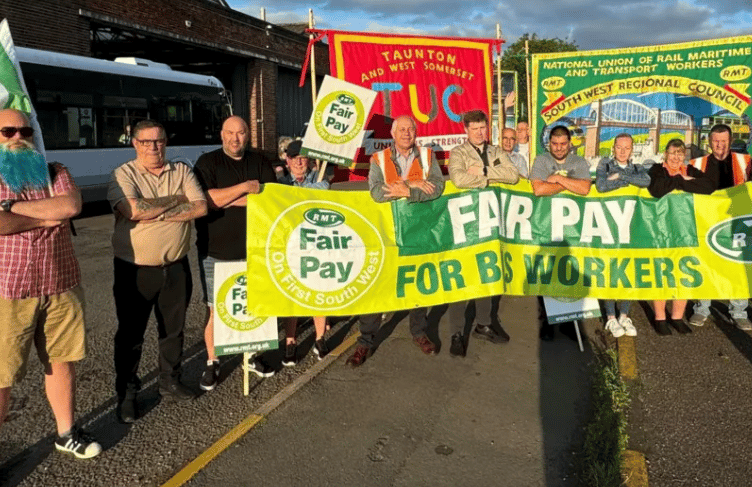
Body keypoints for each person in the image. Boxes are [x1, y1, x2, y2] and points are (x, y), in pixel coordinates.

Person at [0, 109, 101, 458]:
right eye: (7, 131)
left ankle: (66, 432)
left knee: (62, 361)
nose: (17, 137)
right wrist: (45, 218)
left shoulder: (55, 171)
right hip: (8, 291)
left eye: (25, 131)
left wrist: (12, 207)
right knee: (1, 375)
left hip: (61, 284)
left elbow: (71, 205)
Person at [108, 120, 208, 423]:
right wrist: (178, 199)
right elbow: (134, 211)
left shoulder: (181, 171)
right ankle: (126, 394)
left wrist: (156, 209)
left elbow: (201, 206)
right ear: (135, 144)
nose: (154, 147)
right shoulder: (122, 174)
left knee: (173, 331)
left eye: (159, 141)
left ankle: (170, 381)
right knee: (130, 335)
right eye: (147, 142)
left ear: (166, 142)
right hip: (135, 270)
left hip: (176, 267)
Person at [345, 115, 445, 367]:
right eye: (402, 129)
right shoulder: (378, 160)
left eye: (410, 129)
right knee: (378, 287)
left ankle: (419, 333)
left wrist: (406, 190)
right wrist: (413, 185)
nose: (406, 133)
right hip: (386, 234)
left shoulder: (428, 156)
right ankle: (365, 342)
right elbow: (377, 193)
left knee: (419, 285)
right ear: (393, 133)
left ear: (416, 132)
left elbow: (438, 187)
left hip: (418, 232)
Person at [193, 116, 277, 392]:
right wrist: (243, 188)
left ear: (248, 135)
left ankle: (252, 356)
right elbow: (206, 201)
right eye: (230, 133)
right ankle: (212, 360)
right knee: (216, 308)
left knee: (254, 307)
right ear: (221, 134)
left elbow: (269, 199)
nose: (235, 138)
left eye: (240, 133)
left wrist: (226, 198)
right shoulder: (207, 162)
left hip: (256, 249)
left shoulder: (261, 162)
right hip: (215, 250)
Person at [447, 110, 518, 357]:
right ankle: (457, 333)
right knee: (463, 278)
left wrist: (484, 172)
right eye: (475, 128)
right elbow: (457, 178)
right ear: (465, 129)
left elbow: (513, 175)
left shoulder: (497, 152)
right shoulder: (458, 153)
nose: (479, 132)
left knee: (488, 273)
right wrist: (486, 179)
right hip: (465, 223)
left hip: (492, 221)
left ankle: (484, 324)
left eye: (483, 128)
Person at [648, 138, 716, 335]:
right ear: (665, 154)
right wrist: (680, 181)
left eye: (680, 153)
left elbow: (708, 186)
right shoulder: (656, 170)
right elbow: (656, 189)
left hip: (685, 230)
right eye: (672, 153)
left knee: (684, 272)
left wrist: (681, 182)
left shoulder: (690, 170)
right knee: (662, 273)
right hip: (661, 230)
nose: (676, 157)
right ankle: (660, 317)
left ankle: (677, 316)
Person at [688, 124, 752, 330]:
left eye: (724, 141)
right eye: (715, 141)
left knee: (737, 265)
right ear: (708, 142)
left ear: (730, 141)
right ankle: (701, 308)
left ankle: (739, 311)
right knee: (705, 264)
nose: (719, 145)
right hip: (705, 221)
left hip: (736, 221)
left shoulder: (746, 162)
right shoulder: (696, 163)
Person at [531, 126, 591, 340]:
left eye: (563, 144)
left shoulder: (579, 162)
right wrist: (569, 185)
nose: (558, 148)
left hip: (574, 229)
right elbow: (538, 189)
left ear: (570, 143)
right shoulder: (541, 160)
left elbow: (585, 189)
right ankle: (547, 321)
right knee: (548, 275)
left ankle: (568, 322)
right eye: (554, 144)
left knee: (571, 273)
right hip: (546, 225)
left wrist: (557, 179)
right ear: (549, 144)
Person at [275, 139, 331, 366]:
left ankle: (319, 337)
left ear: (309, 160)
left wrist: (299, 193)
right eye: (295, 157)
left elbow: (325, 189)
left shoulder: (318, 178)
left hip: (316, 243)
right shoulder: (281, 180)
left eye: (303, 157)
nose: (299, 161)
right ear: (287, 160)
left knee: (318, 291)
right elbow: (279, 195)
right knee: (294, 296)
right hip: (291, 244)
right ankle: (290, 340)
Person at [595, 133, 650, 338]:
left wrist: (620, 177)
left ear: (632, 149)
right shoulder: (604, 165)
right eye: (619, 147)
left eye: (627, 148)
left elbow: (645, 181)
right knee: (610, 270)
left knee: (628, 269)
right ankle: (610, 317)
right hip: (609, 225)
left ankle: (624, 315)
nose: (623, 151)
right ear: (613, 148)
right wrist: (626, 182)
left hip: (630, 226)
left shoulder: (637, 168)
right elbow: (601, 186)